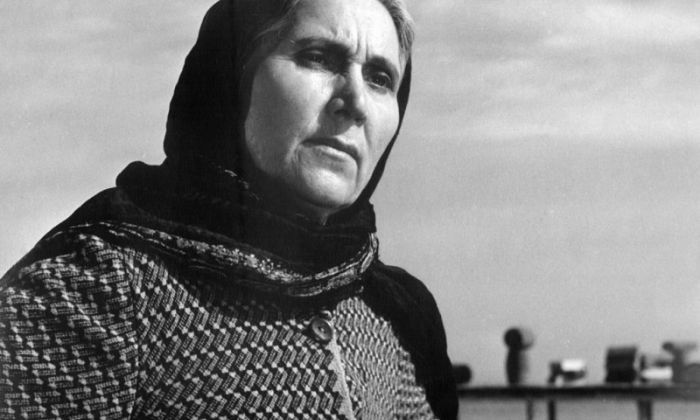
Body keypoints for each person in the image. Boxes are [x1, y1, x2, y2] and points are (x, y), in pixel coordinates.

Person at [0, 0, 458, 418]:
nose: (355, 102)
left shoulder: (398, 318)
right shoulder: (96, 291)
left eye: (380, 78)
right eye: (319, 57)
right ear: (233, 75)